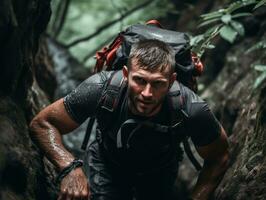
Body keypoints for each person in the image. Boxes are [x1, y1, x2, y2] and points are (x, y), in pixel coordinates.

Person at [30, 39, 229, 200]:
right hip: (107, 163)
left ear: (171, 81)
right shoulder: (101, 88)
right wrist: (69, 167)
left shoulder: (191, 107)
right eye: (140, 80)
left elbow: (219, 157)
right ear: (126, 74)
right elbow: (43, 123)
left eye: (158, 84)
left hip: (160, 171)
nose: (147, 93)